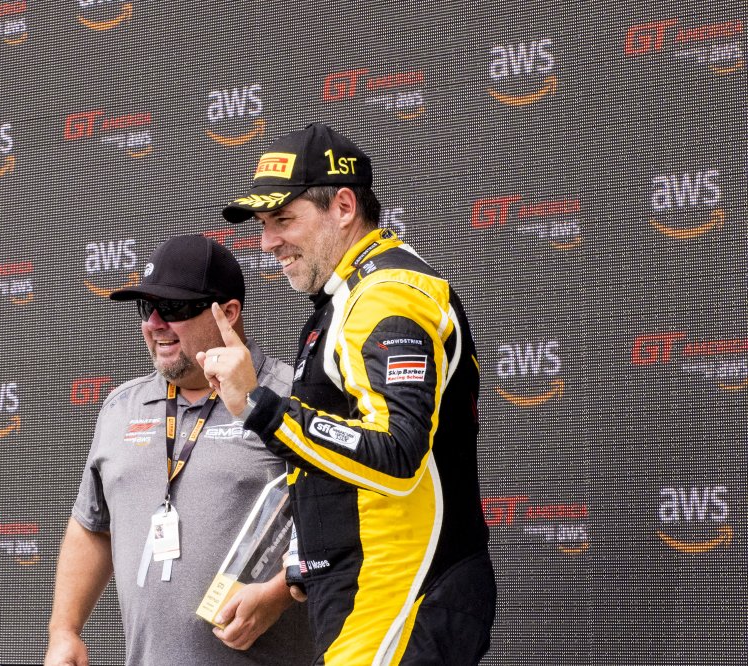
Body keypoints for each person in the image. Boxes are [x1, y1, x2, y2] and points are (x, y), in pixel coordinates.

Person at [199, 123, 496, 665]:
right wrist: (298, 571)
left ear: (342, 206)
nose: (267, 243)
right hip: (376, 591)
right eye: (263, 225)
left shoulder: (386, 297)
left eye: (284, 220)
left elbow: (397, 454)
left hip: (404, 587)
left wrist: (260, 407)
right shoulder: (348, 296)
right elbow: (334, 473)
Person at [45, 235, 313, 666]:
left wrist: (280, 593)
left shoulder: (290, 399)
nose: (155, 323)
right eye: (146, 308)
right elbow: (93, 527)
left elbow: (346, 522)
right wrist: (65, 630)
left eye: (173, 308)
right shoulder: (121, 407)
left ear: (228, 313)